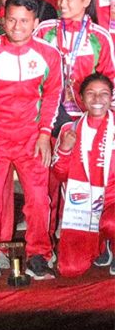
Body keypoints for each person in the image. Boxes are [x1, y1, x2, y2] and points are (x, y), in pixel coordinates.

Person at [0, 0, 62, 280]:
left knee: (38, 199)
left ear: (35, 23)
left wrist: (44, 135)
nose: (17, 26)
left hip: (31, 137)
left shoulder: (49, 54)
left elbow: (52, 96)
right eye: (11, 19)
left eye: (24, 21)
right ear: (2, 20)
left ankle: (39, 254)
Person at [52, 73, 115, 277]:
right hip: (84, 204)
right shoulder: (70, 129)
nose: (97, 99)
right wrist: (64, 149)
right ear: (80, 97)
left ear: (111, 97)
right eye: (91, 93)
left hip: (113, 201)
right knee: (70, 268)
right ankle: (100, 244)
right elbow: (61, 174)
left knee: (111, 222)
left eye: (104, 94)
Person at [34, 0, 115, 123]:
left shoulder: (100, 37)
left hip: (86, 113)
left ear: (86, 2)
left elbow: (110, 78)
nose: (62, 4)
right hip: (47, 111)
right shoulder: (44, 30)